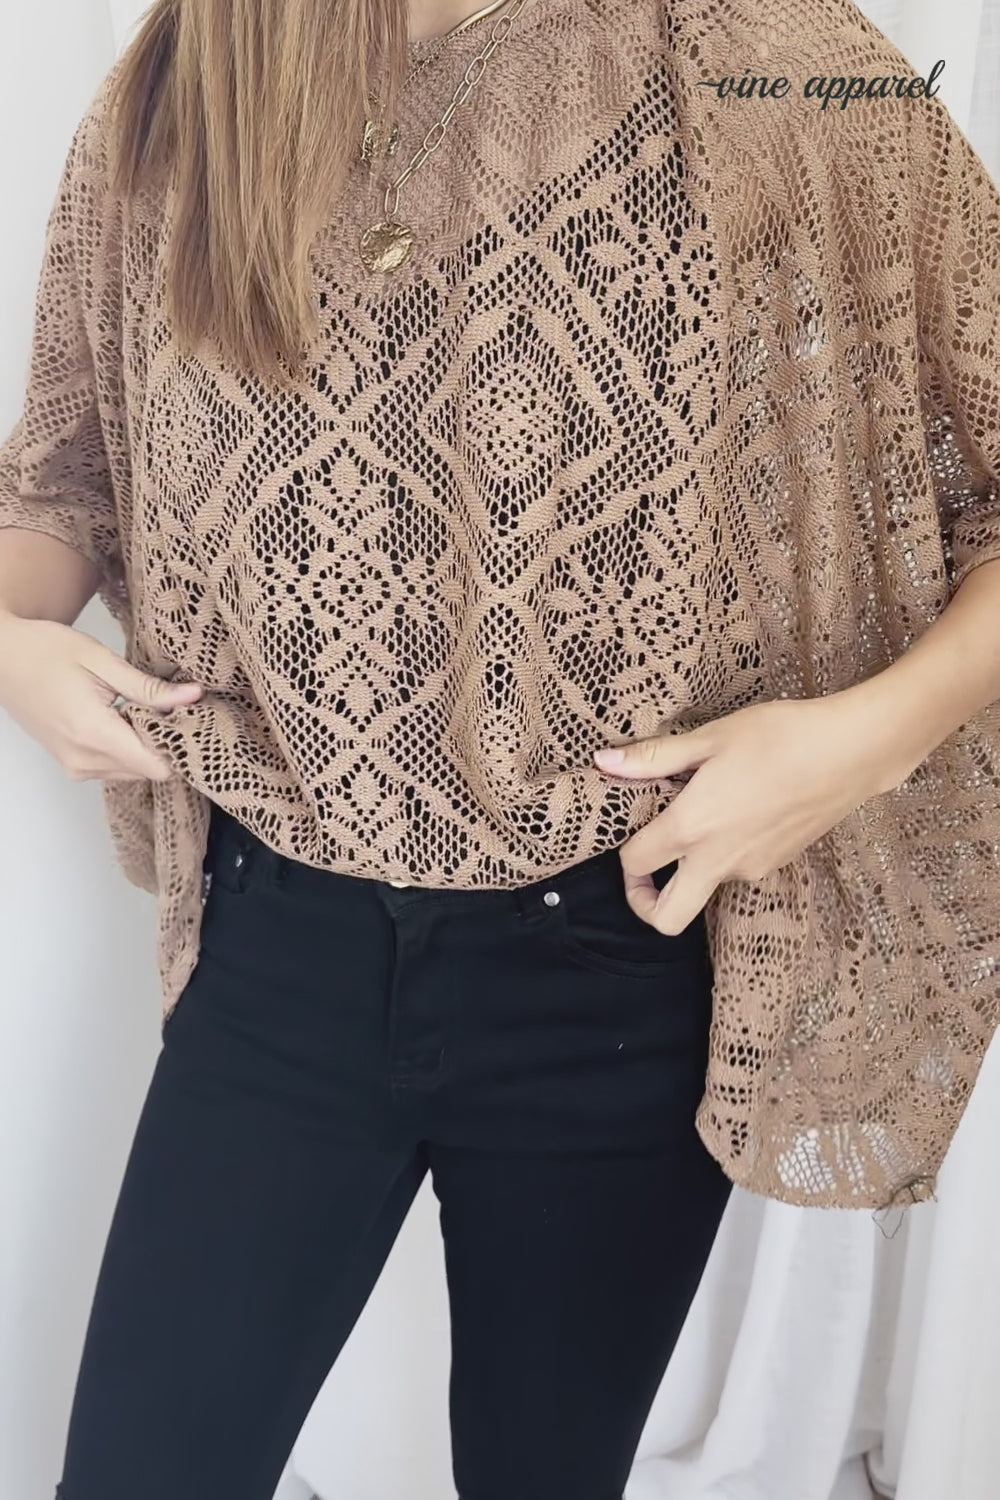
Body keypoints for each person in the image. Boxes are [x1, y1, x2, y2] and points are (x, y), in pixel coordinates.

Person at [3, 0, 1000, 1496]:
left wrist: (851, 750)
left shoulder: (760, 64)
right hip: (278, 950)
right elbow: (62, 481)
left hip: (614, 956)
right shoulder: (202, 71)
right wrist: (13, 646)